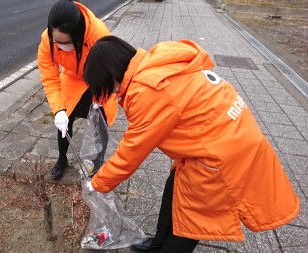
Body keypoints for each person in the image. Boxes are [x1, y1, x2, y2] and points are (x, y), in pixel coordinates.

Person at [83, 36, 300, 252]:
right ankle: (158, 241)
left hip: (219, 157)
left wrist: (98, 183)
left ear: (112, 75)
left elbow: (131, 153)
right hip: (228, 136)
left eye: (107, 87)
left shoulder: (147, 91)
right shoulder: (155, 62)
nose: (111, 94)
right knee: (174, 186)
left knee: (190, 224)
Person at [37, 0, 118, 180]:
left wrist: (101, 95)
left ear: (79, 36)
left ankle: (97, 162)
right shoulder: (47, 40)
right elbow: (50, 77)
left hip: (99, 80)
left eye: (65, 43)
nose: (59, 46)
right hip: (72, 79)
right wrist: (58, 110)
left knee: (100, 123)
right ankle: (62, 159)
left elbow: (112, 71)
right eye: (55, 41)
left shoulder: (99, 35)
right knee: (65, 119)